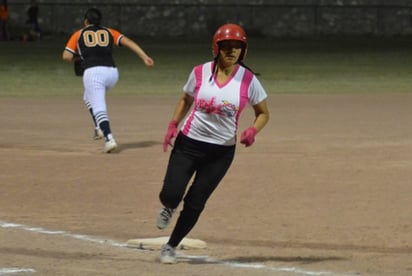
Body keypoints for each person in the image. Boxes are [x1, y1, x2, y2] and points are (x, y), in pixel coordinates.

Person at [156, 23, 270, 264]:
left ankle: (171, 246)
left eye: (237, 47)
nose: (232, 51)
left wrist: (253, 130)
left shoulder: (248, 80)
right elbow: (185, 100)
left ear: (244, 51)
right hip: (188, 144)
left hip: (220, 153)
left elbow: (263, 113)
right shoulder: (199, 72)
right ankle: (169, 205)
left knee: (196, 202)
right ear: (215, 48)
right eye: (226, 46)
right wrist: (172, 124)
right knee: (171, 194)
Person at [62, 8, 154, 153]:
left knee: (99, 107)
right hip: (112, 73)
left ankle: (109, 138)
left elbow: (66, 56)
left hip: (93, 73)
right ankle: (98, 127)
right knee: (88, 96)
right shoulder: (110, 31)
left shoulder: (78, 34)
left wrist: (81, 57)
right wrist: (144, 56)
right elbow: (128, 41)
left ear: (86, 21)